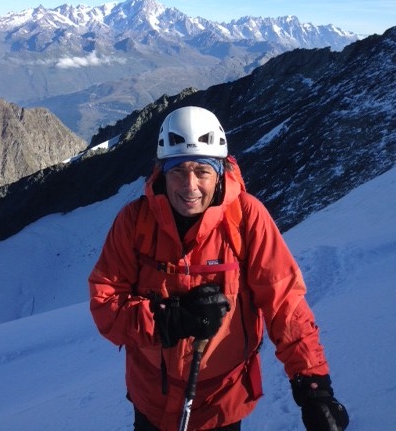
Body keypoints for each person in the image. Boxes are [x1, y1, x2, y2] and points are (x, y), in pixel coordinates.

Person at [89, 106, 349, 431]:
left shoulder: (246, 218)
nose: (190, 186)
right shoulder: (135, 222)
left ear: (220, 170)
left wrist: (314, 387)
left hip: (221, 403)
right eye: (178, 171)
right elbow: (105, 302)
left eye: (202, 171)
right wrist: (166, 320)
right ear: (161, 171)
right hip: (152, 399)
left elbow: (285, 304)